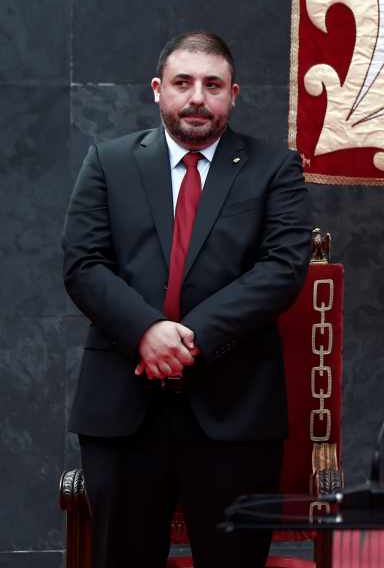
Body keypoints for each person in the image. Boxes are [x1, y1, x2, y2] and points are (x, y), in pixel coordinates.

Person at [63, 32, 312, 568]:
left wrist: (188, 337)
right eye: (183, 83)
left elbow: (283, 268)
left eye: (212, 85)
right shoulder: (108, 163)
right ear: (158, 90)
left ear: (233, 94)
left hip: (235, 414)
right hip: (123, 413)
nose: (197, 97)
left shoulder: (275, 169)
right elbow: (83, 264)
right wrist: (147, 332)